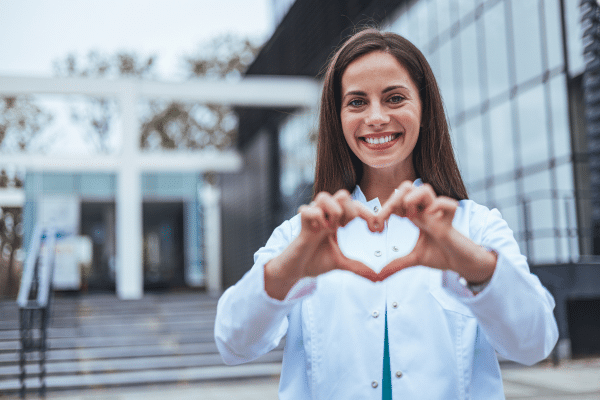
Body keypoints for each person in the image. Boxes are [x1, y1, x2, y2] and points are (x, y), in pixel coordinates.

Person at [214, 28, 558, 399]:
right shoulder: (300, 236)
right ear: (338, 118)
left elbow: (535, 343)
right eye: (357, 102)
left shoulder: (475, 227)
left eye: (394, 98)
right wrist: (291, 267)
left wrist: (473, 265)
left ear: (424, 110)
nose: (376, 118)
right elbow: (233, 343)